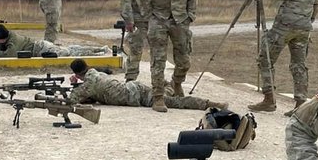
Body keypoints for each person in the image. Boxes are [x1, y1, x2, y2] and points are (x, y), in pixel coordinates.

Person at [253, 0, 318, 113]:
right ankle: (300, 104)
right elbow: (316, 3)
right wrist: (308, 20)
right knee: (299, 65)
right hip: (303, 25)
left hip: (286, 24)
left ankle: (269, 99)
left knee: (265, 58)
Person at [135, 0, 199, 113]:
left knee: (184, 60)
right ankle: (158, 97)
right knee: (158, 60)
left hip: (180, 19)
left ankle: (177, 83)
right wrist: (148, 14)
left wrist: (190, 15)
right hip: (158, 18)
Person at [66, 60, 225, 111]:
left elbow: (73, 99)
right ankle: (168, 86)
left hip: (138, 95)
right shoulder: (94, 74)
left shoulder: (89, 83)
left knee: (174, 103)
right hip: (134, 90)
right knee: (166, 95)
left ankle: (208, 104)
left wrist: (74, 86)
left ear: (78, 74)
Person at [0, 24, 108, 59]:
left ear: (5, 38)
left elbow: (11, 54)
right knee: (70, 49)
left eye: (0, 40)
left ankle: (97, 52)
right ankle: (99, 49)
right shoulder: (11, 37)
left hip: (42, 49)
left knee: (69, 53)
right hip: (42, 47)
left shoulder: (14, 40)